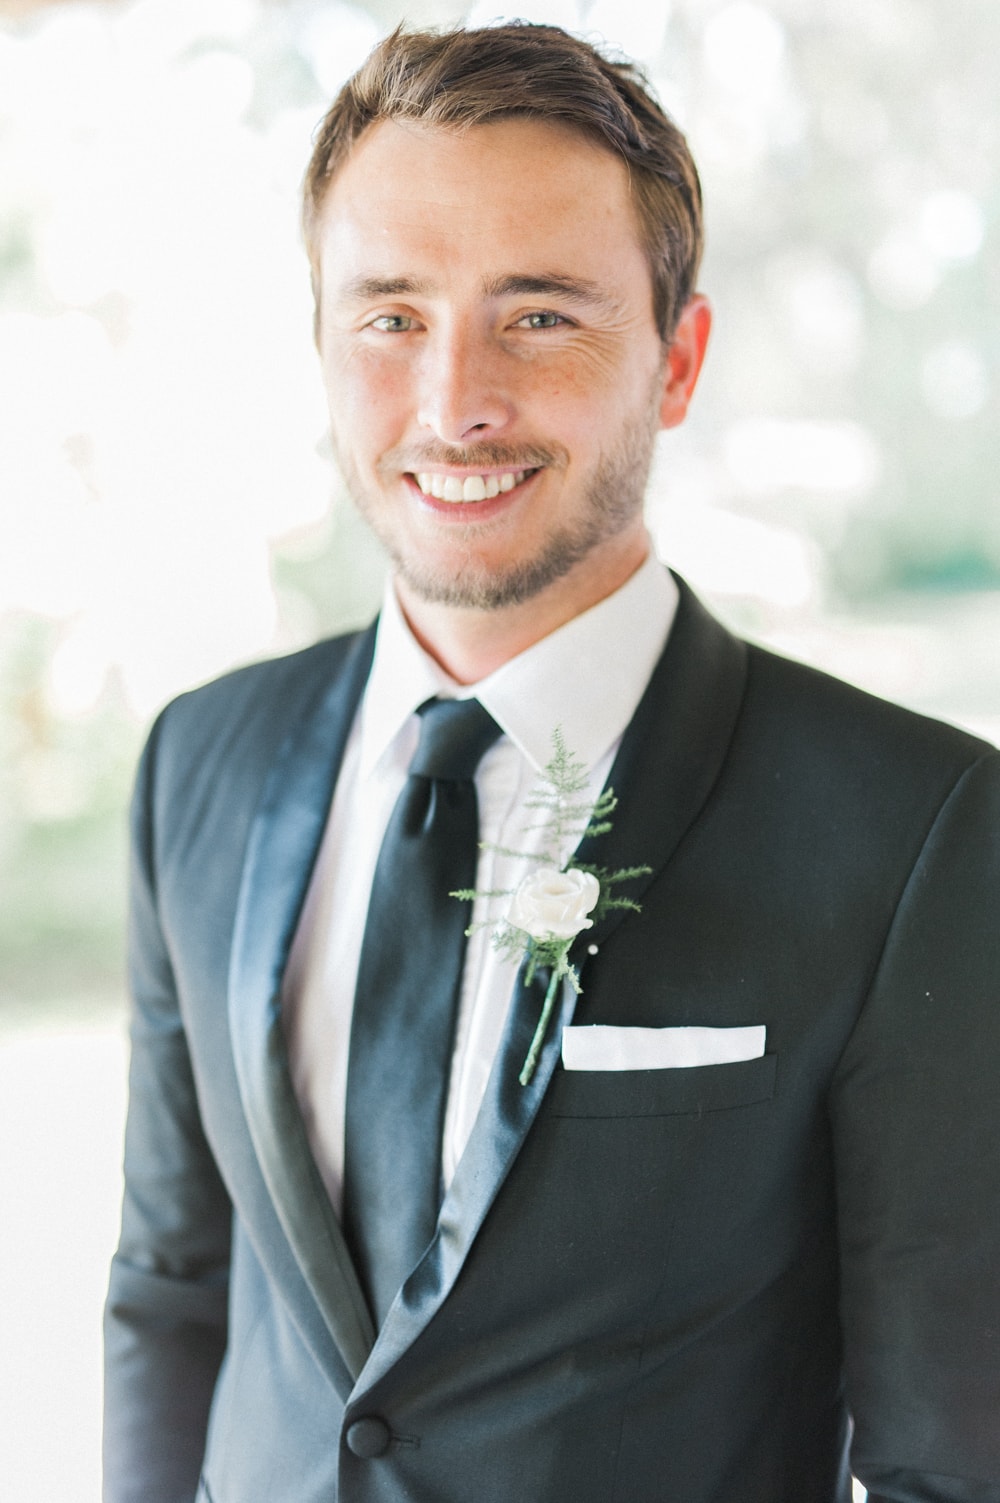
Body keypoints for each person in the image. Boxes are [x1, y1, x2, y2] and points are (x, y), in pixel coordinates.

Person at [102, 22, 1000, 1503]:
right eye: (391, 315)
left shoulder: (918, 832)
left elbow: (951, 1467)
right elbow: (170, 1290)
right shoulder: (195, 764)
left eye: (539, 317)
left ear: (678, 360)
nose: (455, 401)